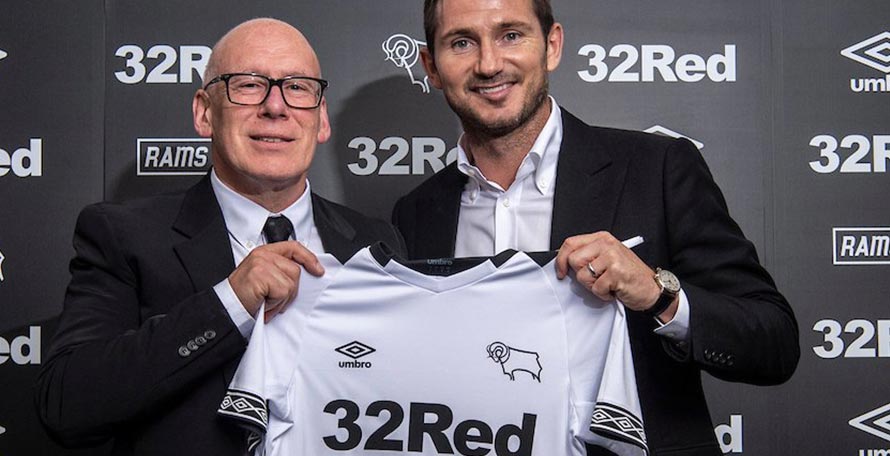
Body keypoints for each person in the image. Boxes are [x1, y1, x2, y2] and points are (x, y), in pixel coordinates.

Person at [391, 0, 799, 454]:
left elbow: (775, 343)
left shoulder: (657, 168)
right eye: (462, 43)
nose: (489, 64)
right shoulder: (416, 213)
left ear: (552, 45)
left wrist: (658, 294)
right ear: (431, 66)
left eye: (511, 35)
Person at [36, 18, 404, 455]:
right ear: (205, 113)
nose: (275, 106)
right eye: (248, 85)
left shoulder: (376, 242)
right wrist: (230, 303)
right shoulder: (122, 236)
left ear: (321, 119)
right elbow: (67, 405)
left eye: (297, 87)